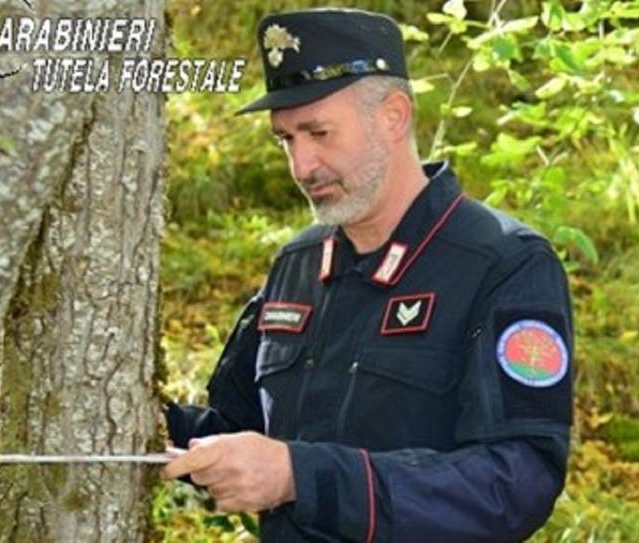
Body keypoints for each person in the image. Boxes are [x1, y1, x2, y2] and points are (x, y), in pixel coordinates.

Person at [161, 8, 574, 542]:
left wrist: (301, 477)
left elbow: (517, 483)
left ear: (393, 116)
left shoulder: (504, 263)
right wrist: (146, 420)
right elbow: (238, 434)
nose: (302, 165)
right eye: (285, 139)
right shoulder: (298, 265)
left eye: (318, 132)